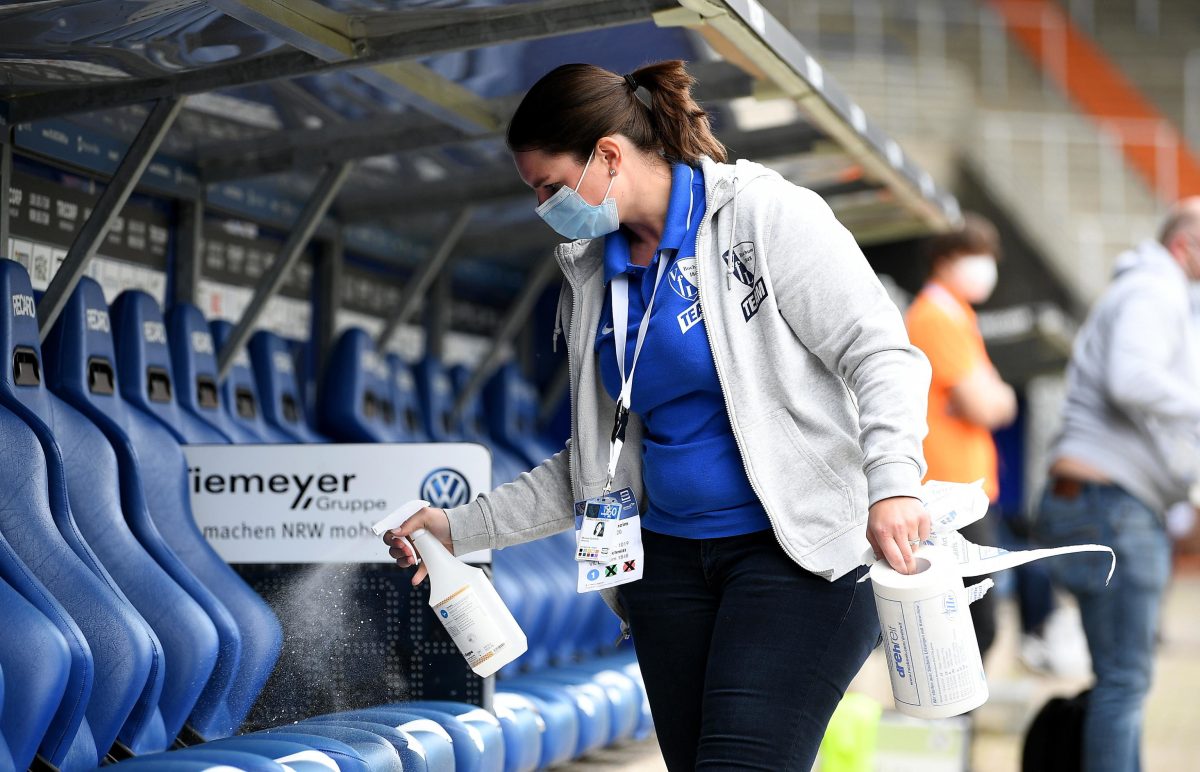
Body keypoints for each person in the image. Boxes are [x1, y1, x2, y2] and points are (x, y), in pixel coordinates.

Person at [383, 60, 932, 771]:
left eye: (551, 185)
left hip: (798, 558)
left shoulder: (764, 216)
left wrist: (893, 481)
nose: (543, 205)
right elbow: (595, 460)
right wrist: (458, 527)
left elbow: (881, 352)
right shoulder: (590, 271)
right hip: (667, 570)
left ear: (609, 154)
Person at [1033, 197, 1200, 772]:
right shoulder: (1155, 289)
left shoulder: (1155, 291)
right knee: (1125, 683)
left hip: (1095, 500)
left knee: (1120, 680)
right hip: (1112, 504)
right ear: (1186, 245)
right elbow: (1133, 378)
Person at [904, 214, 1016, 660]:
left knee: (973, 621)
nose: (985, 267)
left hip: (967, 487)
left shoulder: (958, 314)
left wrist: (994, 395)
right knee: (969, 624)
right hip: (947, 489)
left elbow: (998, 401)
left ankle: (956, 727)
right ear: (946, 260)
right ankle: (949, 727)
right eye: (976, 256)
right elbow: (987, 404)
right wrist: (993, 394)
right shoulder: (935, 315)